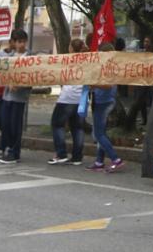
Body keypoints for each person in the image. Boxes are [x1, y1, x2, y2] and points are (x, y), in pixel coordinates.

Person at [48, 38, 87, 165]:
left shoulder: (67, 61)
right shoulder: (88, 61)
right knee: (77, 127)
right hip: (81, 98)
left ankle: (61, 153)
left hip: (67, 97)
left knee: (57, 124)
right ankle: (77, 157)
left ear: (71, 48)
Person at [88, 43, 124, 172]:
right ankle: (99, 161)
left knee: (98, 134)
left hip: (104, 102)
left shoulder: (109, 67)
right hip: (103, 100)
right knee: (101, 132)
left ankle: (115, 159)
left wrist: (94, 85)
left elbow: (108, 85)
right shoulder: (109, 66)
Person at [0, 29, 32, 163]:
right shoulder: (8, 55)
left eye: (23, 41)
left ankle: (14, 151)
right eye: (18, 42)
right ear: (13, 42)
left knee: (15, 125)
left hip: (20, 96)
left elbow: (32, 76)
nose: (21, 44)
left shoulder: (29, 57)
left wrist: (20, 84)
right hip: (7, 95)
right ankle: (6, 147)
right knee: (6, 123)